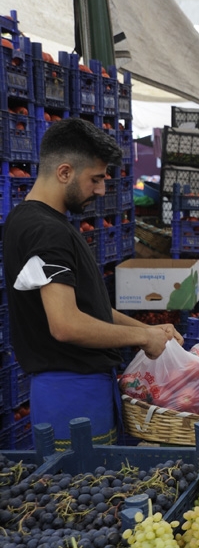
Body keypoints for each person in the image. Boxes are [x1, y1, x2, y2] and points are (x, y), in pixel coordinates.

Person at [3, 118, 182, 446]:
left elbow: (89, 309)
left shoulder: (33, 220)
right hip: (73, 397)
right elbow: (66, 324)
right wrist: (141, 336)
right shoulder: (46, 231)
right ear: (65, 172)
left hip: (75, 391)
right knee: (86, 490)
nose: (101, 190)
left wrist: (153, 332)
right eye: (95, 179)